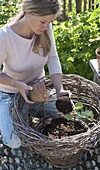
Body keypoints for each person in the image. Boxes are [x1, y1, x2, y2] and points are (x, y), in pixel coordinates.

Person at [0, 0, 72, 149]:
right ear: (28, 13)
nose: (46, 27)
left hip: (39, 91)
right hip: (11, 93)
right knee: (15, 142)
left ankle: (25, 117)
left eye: (50, 22)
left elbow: (52, 58)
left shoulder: (45, 28)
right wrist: (17, 84)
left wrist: (60, 90)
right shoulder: (5, 37)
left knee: (65, 115)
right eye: (43, 22)